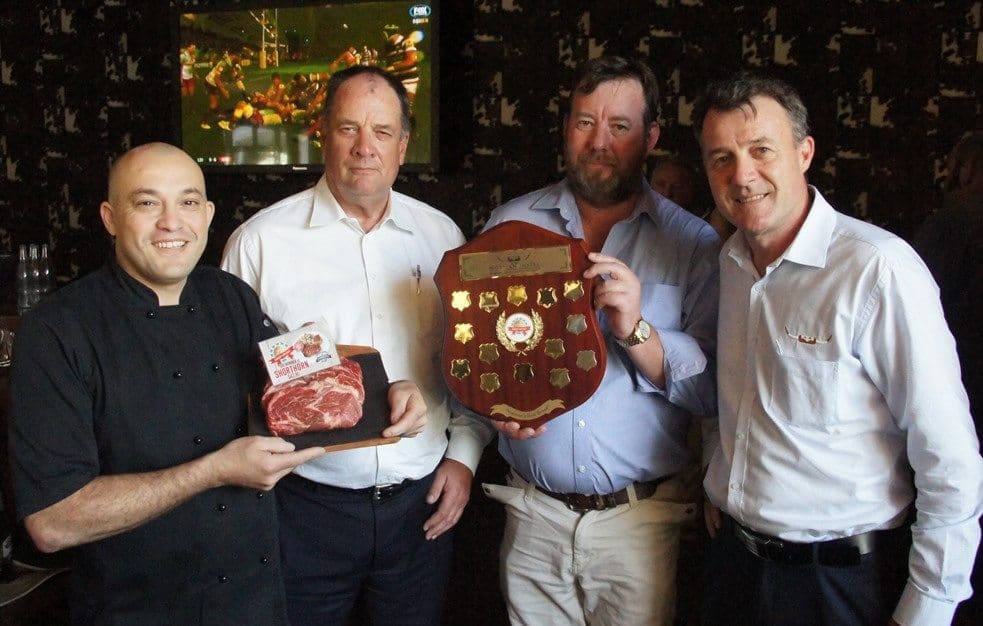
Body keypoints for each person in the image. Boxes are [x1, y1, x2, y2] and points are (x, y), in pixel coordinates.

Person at [696, 72, 983, 626]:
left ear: (804, 153)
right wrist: (726, 472)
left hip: (837, 583)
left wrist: (928, 609)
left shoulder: (878, 270)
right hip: (732, 566)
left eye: (761, 150)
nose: (742, 174)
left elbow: (949, 459)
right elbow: (736, 394)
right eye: (721, 158)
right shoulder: (728, 265)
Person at [8, 142, 327, 624]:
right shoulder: (57, 331)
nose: (171, 222)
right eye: (147, 202)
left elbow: (299, 384)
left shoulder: (232, 297)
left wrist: (389, 398)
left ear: (209, 213)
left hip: (253, 602)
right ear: (109, 217)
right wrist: (213, 471)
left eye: (188, 201)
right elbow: (52, 521)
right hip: (136, 609)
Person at [221, 65, 494, 625]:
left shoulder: (443, 237)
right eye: (348, 128)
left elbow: (470, 364)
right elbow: (229, 385)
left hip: (419, 510)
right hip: (303, 512)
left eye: (382, 131)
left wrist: (465, 458)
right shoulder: (259, 244)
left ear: (403, 145)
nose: (364, 147)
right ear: (323, 133)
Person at [480, 55, 720, 625]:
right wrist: (496, 408)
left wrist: (636, 330)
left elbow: (712, 392)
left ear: (651, 135)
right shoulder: (509, 226)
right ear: (567, 128)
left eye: (620, 126)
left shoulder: (694, 246)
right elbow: (474, 353)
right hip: (532, 518)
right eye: (585, 122)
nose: (599, 141)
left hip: (638, 527)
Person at [650, 154, 735, 242]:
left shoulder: (709, 228)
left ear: (691, 190)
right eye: (660, 184)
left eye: (678, 186)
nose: (667, 193)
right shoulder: (640, 217)